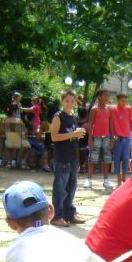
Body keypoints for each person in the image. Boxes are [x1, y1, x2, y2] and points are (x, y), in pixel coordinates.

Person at [50, 89, 87, 227]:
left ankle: (69, 213)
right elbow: (54, 137)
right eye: (67, 101)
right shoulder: (58, 117)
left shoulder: (73, 116)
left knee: (71, 187)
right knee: (60, 187)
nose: (70, 104)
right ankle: (56, 216)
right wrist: (72, 134)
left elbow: (74, 139)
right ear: (62, 101)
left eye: (72, 101)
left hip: (72, 158)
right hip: (62, 158)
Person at [84, 89, 114, 190]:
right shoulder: (94, 109)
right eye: (105, 96)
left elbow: (110, 124)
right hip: (96, 137)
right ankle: (89, 179)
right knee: (92, 158)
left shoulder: (109, 109)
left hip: (106, 137)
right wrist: (90, 139)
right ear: (99, 97)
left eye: (108, 96)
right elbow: (90, 124)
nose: (107, 98)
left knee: (106, 159)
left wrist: (112, 138)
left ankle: (106, 180)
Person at [111, 92, 132, 187]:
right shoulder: (113, 109)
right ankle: (118, 179)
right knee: (117, 159)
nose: (124, 103)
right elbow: (112, 123)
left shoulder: (128, 109)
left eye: (125, 101)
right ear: (117, 101)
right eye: (122, 101)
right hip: (117, 137)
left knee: (125, 158)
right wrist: (113, 136)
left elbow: (131, 121)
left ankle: (124, 177)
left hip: (126, 137)